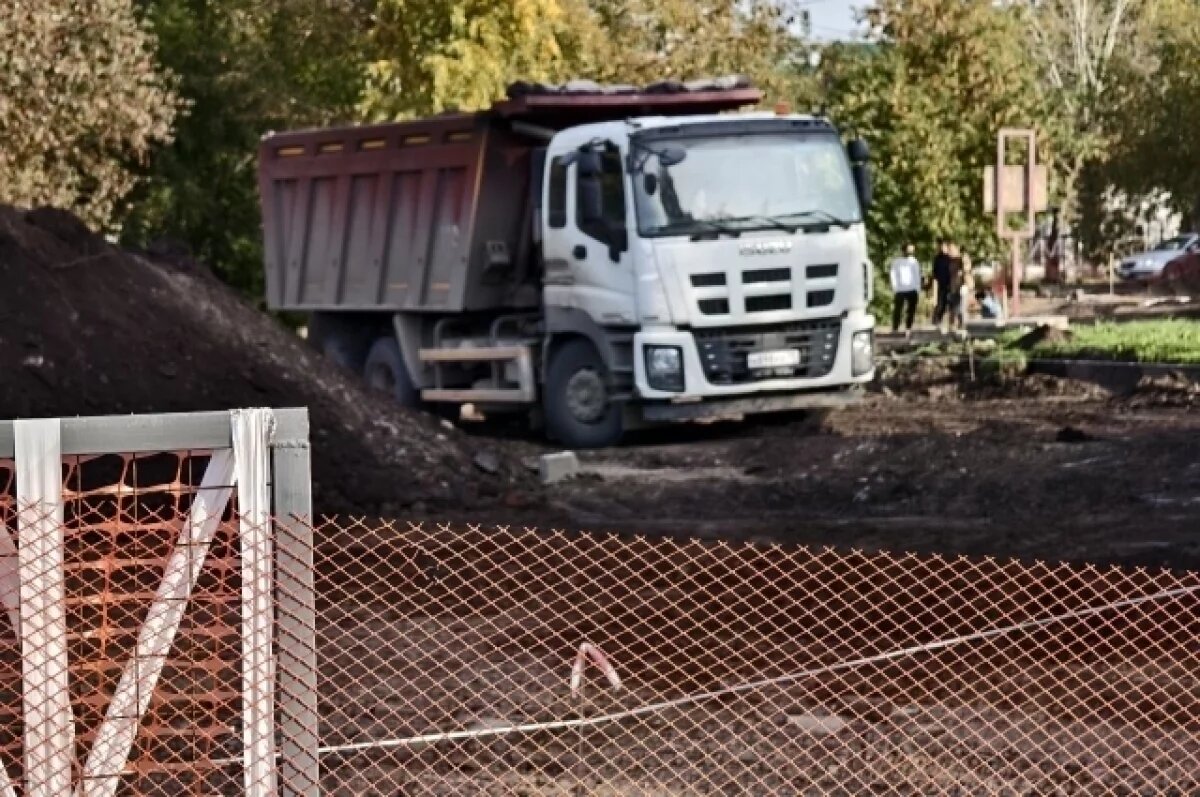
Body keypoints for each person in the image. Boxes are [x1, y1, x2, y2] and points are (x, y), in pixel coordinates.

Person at [888, 243, 922, 336]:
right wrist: (895, 287)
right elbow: (893, 275)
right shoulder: (897, 262)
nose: (910, 253)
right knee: (898, 310)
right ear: (903, 250)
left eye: (911, 251)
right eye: (908, 250)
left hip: (912, 289)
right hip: (900, 289)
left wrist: (917, 288)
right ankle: (895, 328)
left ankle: (908, 328)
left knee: (911, 310)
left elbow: (917, 275)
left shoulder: (914, 262)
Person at [931, 240, 953, 332]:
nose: (943, 248)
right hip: (941, 284)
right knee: (940, 304)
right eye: (941, 246)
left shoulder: (950, 258)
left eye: (944, 246)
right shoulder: (937, 259)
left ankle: (950, 323)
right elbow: (935, 274)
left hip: (950, 284)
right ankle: (936, 320)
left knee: (949, 304)